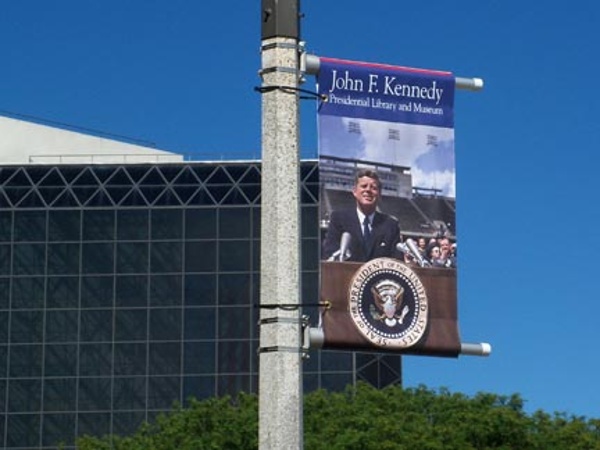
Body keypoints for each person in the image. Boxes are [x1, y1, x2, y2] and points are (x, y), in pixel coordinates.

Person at [322, 169, 401, 262]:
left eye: (374, 188)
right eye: (364, 186)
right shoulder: (338, 219)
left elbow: (397, 261)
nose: (368, 190)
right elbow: (329, 254)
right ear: (355, 191)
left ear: (379, 194)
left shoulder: (391, 225)